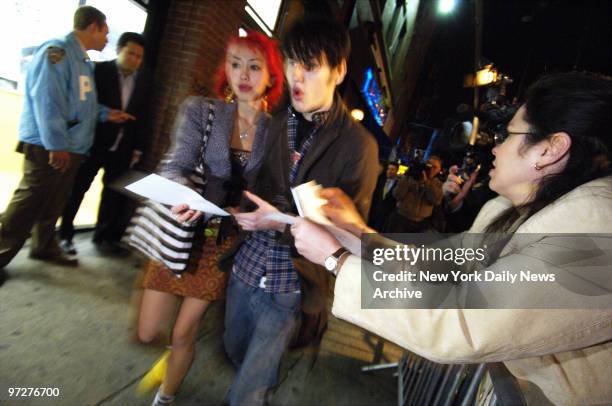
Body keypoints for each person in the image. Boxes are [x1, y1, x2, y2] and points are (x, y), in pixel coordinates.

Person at [290, 72, 612, 405]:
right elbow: (440, 265)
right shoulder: (517, 209)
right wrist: (357, 235)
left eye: (507, 134)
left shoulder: (598, 235)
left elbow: (462, 321)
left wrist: (336, 260)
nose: (495, 148)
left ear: (550, 149)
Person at [225, 17, 379, 405]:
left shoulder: (358, 145)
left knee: (251, 387)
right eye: (292, 62)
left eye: (310, 67)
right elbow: (254, 185)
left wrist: (281, 219)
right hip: (247, 261)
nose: (297, 76)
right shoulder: (275, 122)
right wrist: (235, 206)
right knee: (233, 347)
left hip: (293, 278)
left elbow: (349, 233)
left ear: (339, 71)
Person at [134, 31, 284, 406]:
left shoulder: (278, 132)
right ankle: (171, 360)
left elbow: (274, 191)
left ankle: (166, 395)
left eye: (254, 66)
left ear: (271, 75)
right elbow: (176, 163)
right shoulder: (202, 110)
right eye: (235, 64)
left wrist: (247, 213)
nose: (243, 74)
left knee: (184, 332)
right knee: (149, 330)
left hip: (224, 241)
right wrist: (179, 196)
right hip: (181, 232)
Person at [0, 6, 133, 271]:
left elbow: (81, 103)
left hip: (70, 147)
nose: (107, 38)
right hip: (50, 146)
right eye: (105, 31)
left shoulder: (81, 60)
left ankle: (43, 247)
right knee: (28, 204)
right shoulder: (57, 52)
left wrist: (107, 114)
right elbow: (48, 101)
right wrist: (56, 144)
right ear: (93, 27)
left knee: (53, 204)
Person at [59, 32, 149, 255]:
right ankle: (64, 236)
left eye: (139, 56)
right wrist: (106, 115)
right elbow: (84, 105)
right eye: (130, 53)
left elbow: (144, 116)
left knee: (112, 195)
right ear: (119, 50)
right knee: (77, 190)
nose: (134, 59)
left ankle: (103, 238)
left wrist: (138, 148)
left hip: (122, 148)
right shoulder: (99, 71)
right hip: (93, 143)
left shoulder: (144, 81)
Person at [386, 156, 444, 233]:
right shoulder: (411, 177)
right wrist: (407, 177)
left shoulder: (438, 184)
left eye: (435, 167)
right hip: (400, 218)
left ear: (439, 170)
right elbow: (397, 195)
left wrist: (427, 182)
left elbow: (436, 200)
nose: (431, 169)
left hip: (419, 223)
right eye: (429, 165)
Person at [368, 162, 399, 231]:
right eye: (388, 169)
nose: (389, 171)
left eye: (392, 169)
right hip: (373, 212)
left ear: (396, 171)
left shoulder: (398, 185)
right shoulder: (380, 180)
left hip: (385, 217)